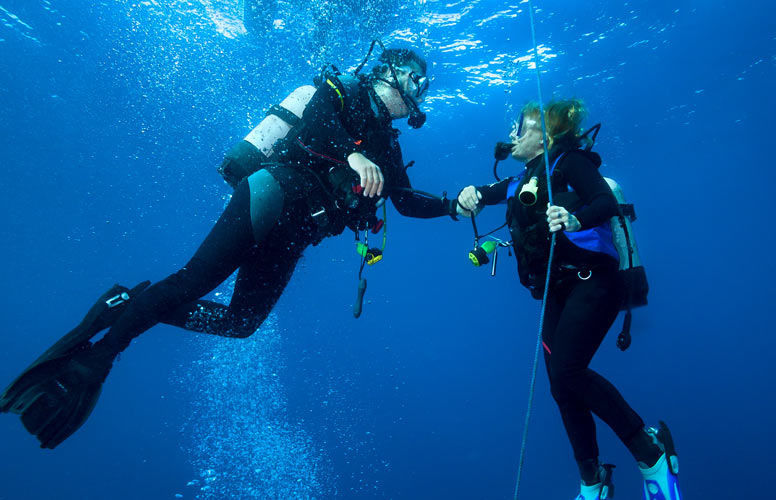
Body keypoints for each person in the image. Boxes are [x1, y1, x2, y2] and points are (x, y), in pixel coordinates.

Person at [0, 46, 466, 449]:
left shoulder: (388, 143)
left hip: (295, 232)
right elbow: (318, 123)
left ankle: (122, 306)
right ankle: (99, 359)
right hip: (272, 194)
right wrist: (353, 153)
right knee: (193, 281)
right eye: (415, 78)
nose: (421, 90)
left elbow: (403, 200)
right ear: (387, 70)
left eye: (424, 85)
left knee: (242, 323)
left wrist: (455, 204)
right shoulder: (339, 91)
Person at [457, 100, 681, 500]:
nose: (512, 135)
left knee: (568, 372)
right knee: (561, 387)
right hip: (556, 293)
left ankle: (652, 453)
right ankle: (593, 480)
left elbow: (604, 201)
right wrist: (468, 194)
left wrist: (575, 219)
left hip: (593, 280)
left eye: (520, 128)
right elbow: (486, 192)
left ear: (546, 136)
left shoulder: (571, 162)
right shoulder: (520, 180)